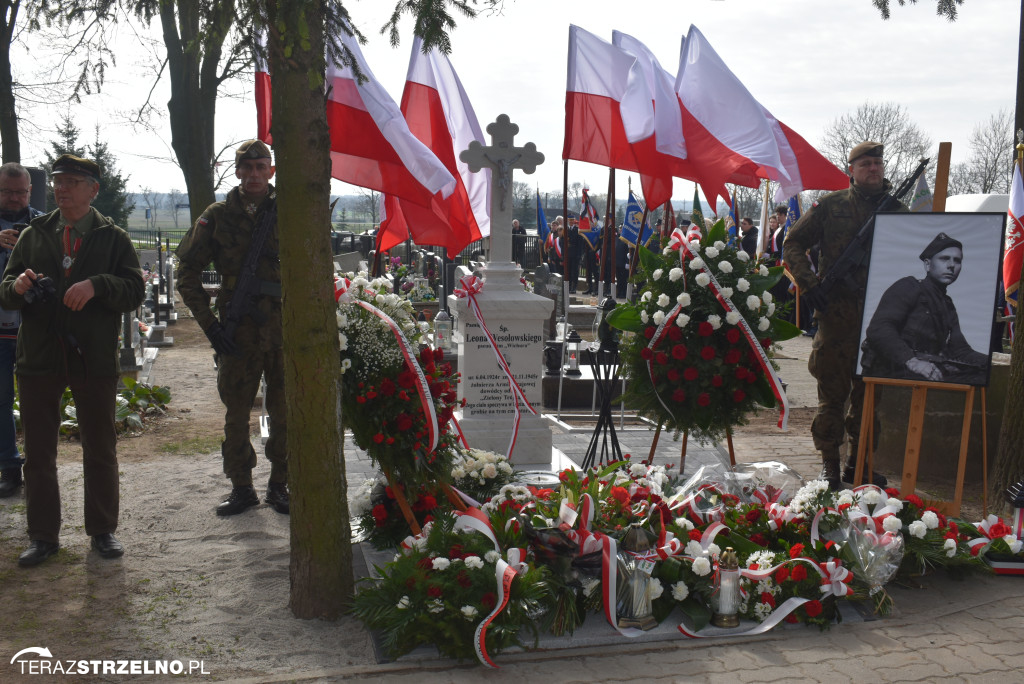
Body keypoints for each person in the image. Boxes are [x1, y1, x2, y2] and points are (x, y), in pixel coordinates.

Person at [0, 154, 145, 566]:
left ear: (92, 190)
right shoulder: (35, 233)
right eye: (59, 181)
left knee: (100, 448)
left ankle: (103, 531)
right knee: (39, 453)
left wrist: (97, 285)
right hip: (39, 359)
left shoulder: (111, 236)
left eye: (72, 182)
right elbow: (6, 289)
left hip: (92, 358)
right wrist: (20, 285)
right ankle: (43, 536)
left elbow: (134, 289)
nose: (61, 188)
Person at [783, 141, 906, 491]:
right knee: (831, 396)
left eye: (878, 163)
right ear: (850, 169)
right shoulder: (830, 206)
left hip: (881, 321)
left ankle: (860, 465)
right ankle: (830, 466)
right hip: (836, 317)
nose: (873, 168)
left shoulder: (898, 211)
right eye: (865, 163)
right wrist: (810, 285)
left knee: (869, 400)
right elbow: (792, 243)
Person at [175, 140, 289, 517]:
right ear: (237, 171)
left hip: (285, 329)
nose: (255, 174)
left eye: (262, 167)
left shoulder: (290, 210)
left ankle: (280, 484)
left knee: (285, 410)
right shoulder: (219, 215)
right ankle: (242, 487)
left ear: (271, 171)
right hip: (237, 331)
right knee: (237, 413)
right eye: (248, 167)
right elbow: (187, 271)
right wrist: (209, 325)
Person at [861, 232, 988, 385]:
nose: (951, 265)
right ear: (927, 264)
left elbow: (960, 350)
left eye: (957, 260)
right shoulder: (908, 287)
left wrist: (989, 363)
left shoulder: (947, 305)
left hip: (922, 372)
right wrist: (911, 361)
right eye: (944, 258)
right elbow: (879, 329)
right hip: (892, 369)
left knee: (981, 377)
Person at [0, 163, 43, 498]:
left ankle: (41, 465)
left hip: (34, 329)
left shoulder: (44, 224)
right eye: (6, 191)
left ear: (30, 191)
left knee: (39, 401)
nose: (14, 198)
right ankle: (9, 468)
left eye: (20, 192)